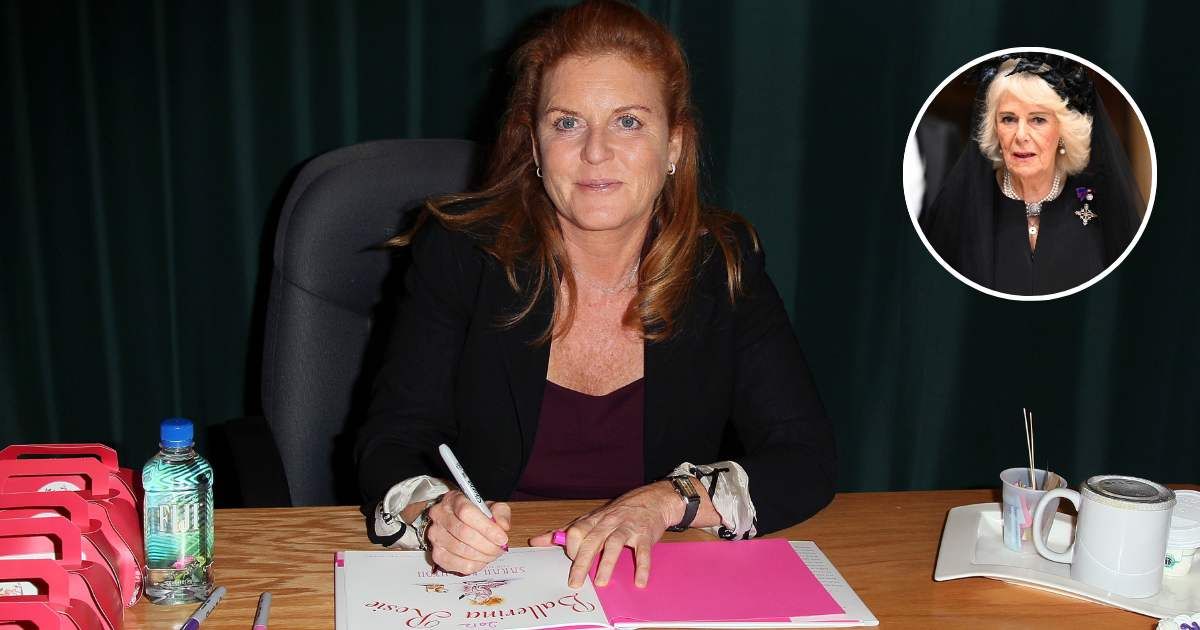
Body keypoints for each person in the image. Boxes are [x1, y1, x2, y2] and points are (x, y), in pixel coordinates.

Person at [354, 0, 835, 590]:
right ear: (533, 147)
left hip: (652, 577)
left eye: (628, 121)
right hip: (491, 583)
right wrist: (433, 512)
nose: (596, 151)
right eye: (567, 122)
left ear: (675, 146)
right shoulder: (462, 256)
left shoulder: (721, 262)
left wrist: (668, 503)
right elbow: (390, 442)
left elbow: (804, 456)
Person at [920, 53, 1144, 296]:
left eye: (1038, 119)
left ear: (1062, 130)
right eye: (1008, 119)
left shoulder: (1101, 202)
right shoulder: (963, 205)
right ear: (995, 129)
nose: (1021, 135)